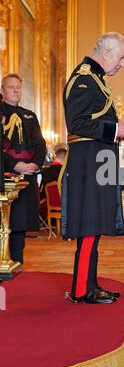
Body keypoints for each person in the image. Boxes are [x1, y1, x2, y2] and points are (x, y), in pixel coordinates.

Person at [62, 32, 124, 304]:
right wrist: (117, 129)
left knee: (95, 224)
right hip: (88, 165)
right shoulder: (84, 80)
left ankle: (89, 284)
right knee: (89, 224)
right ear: (107, 53)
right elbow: (77, 124)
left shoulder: (96, 79)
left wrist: (120, 133)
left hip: (96, 162)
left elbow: (93, 124)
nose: (122, 64)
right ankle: (81, 291)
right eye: (121, 57)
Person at [0, 73, 46, 264]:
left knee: (20, 223)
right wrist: (15, 165)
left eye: (18, 87)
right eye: (11, 87)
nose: (16, 90)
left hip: (26, 177)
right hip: (5, 174)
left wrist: (35, 164)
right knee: (4, 223)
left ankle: (17, 263)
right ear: (2, 90)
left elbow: (40, 145)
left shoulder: (30, 115)